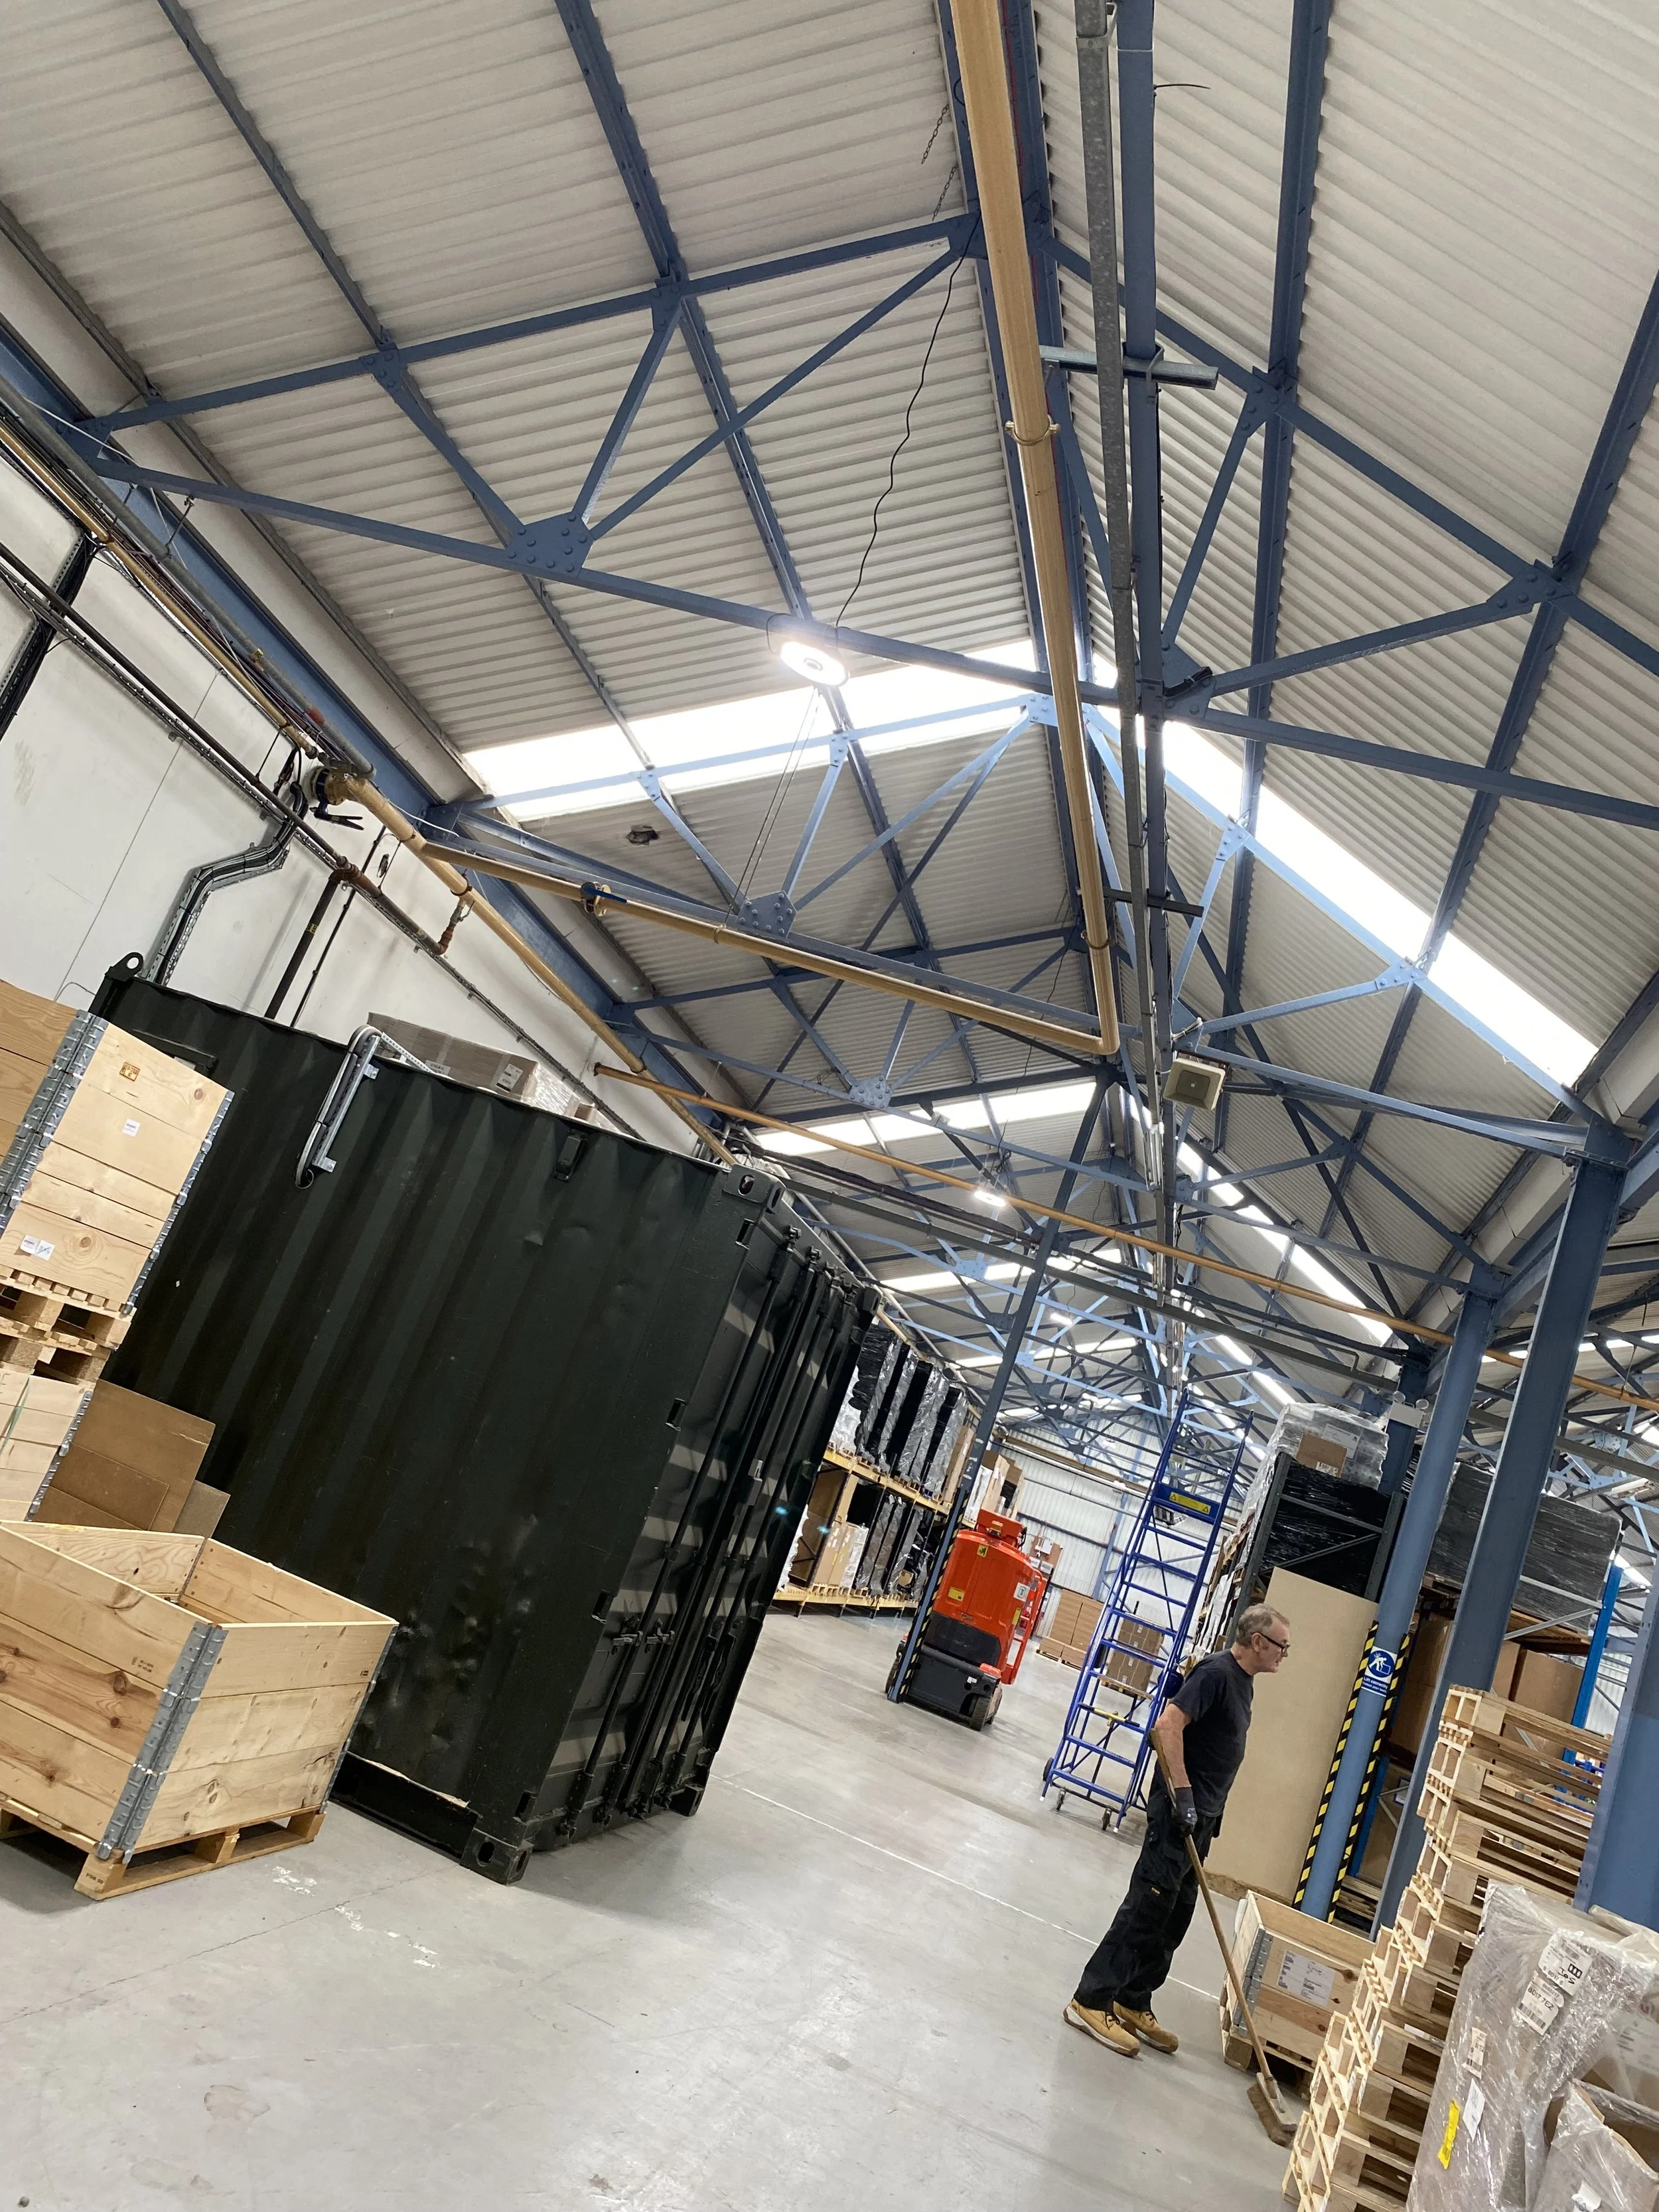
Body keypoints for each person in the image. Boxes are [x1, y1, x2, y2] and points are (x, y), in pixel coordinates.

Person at [1064, 1601, 1291, 2058]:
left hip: (1202, 1821)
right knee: (1146, 1909)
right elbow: (1167, 1726)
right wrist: (1183, 1796)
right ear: (1258, 1642)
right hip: (1177, 1815)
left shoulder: (1242, 1683)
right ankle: (1090, 1998)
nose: (1286, 1654)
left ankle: (1133, 1997)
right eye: (1283, 1645)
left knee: (1174, 1916)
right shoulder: (1216, 1673)